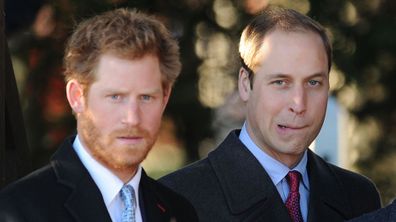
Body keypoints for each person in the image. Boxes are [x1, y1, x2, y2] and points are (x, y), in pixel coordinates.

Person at [160, 7, 381, 222]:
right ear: (245, 85)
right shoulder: (176, 200)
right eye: (280, 82)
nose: (299, 103)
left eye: (313, 82)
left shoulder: (359, 196)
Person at [0, 8, 197, 222]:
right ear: (77, 96)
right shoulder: (19, 211)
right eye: (115, 97)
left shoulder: (180, 211)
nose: (132, 117)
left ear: (165, 98)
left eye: (146, 97)